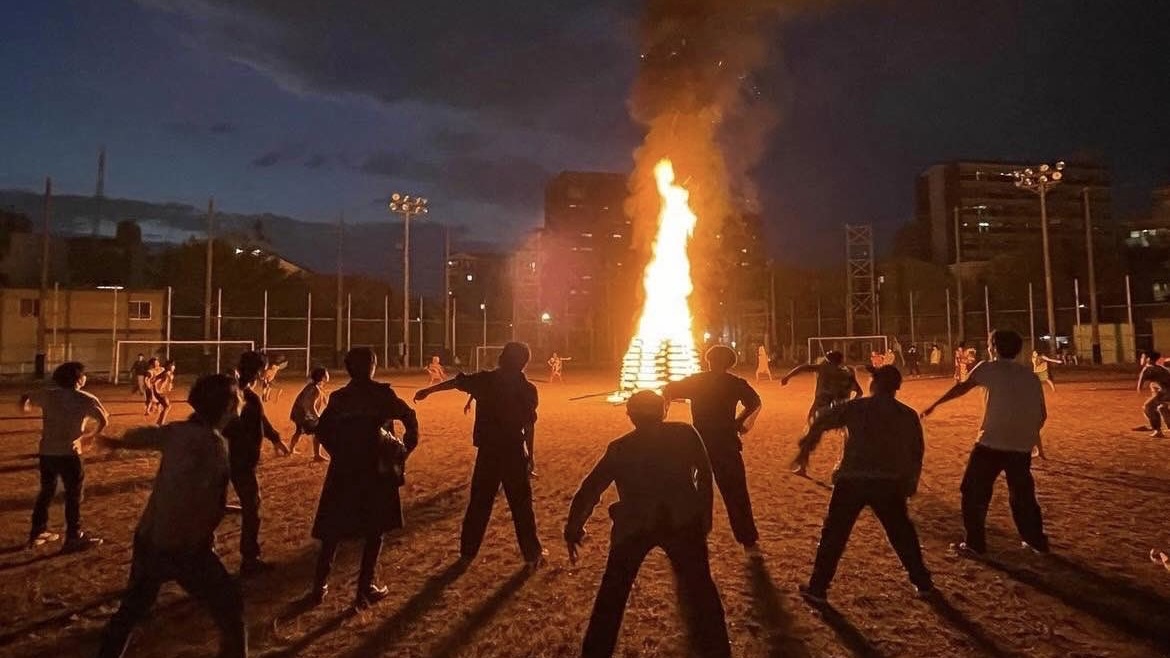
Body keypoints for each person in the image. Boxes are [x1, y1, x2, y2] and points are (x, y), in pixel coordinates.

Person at [565, 390, 730, 658]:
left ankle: (596, 651)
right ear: (664, 410)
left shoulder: (620, 448)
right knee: (701, 589)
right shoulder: (685, 434)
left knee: (613, 595)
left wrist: (574, 527)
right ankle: (716, 649)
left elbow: (590, 488)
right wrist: (704, 512)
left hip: (634, 525)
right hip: (682, 520)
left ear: (630, 416)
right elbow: (704, 471)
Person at [96, 374, 246, 658]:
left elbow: (144, 437)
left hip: (150, 537)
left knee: (132, 609)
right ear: (227, 405)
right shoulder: (214, 445)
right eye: (236, 397)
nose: (240, 401)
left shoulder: (179, 431)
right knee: (230, 609)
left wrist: (117, 443)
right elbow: (201, 498)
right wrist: (214, 520)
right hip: (184, 546)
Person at [791, 366, 932, 603]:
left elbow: (821, 421)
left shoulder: (857, 407)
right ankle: (923, 582)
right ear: (897, 387)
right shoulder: (907, 414)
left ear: (873, 384)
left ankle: (818, 588)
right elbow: (916, 451)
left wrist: (806, 447)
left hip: (853, 479)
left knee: (834, 534)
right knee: (901, 533)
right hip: (888, 482)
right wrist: (911, 480)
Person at [414, 342, 545, 567]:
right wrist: (529, 456)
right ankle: (532, 555)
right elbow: (528, 425)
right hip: (513, 452)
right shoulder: (527, 389)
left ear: (505, 358)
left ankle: (468, 552)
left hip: (489, 453)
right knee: (521, 506)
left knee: (479, 503)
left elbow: (457, 382)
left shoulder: (486, 381)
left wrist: (429, 391)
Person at [922, 329, 1050, 556]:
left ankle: (974, 544)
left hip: (991, 442)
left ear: (993, 347)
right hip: (1020, 446)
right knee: (1023, 495)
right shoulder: (1030, 376)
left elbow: (961, 387)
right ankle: (1036, 540)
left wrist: (935, 404)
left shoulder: (987, 368)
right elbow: (1042, 415)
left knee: (973, 491)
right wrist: (1026, 436)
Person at [310, 348, 419, 608]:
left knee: (332, 530)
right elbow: (409, 416)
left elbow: (322, 429)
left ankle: (318, 586)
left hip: (344, 469)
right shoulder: (381, 395)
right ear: (372, 365)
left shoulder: (339, 398)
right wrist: (405, 447)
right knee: (375, 528)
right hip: (374, 469)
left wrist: (339, 452)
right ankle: (365, 587)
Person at [663, 345, 763, 551]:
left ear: (709, 360)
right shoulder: (735, 383)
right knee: (735, 490)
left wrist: (664, 399)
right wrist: (739, 421)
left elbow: (670, 389)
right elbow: (754, 402)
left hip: (700, 443)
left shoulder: (696, 381)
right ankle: (747, 537)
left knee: (699, 489)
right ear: (729, 363)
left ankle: (696, 531)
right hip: (726, 442)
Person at [20, 361, 108, 552]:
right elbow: (103, 420)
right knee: (73, 495)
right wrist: (88, 437)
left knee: (46, 491)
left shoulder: (48, 394)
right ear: (79, 379)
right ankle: (73, 537)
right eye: (84, 375)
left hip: (47, 453)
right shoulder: (86, 398)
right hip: (70, 453)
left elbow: (25, 397)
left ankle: (37, 532)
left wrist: (24, 408)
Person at [224, 351, 290, 576]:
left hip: (229, 459)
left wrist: (276, 438)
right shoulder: (240, 396)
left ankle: (204, 551)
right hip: (237, 461)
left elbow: (261, 419)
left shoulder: (242, 394)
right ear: (260, 372)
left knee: (219, 506)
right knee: (251, 507)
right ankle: (249, 559)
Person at [781, 350, 863, 424]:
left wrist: (787, 377)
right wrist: (851, 403)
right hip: (838, 401)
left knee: (812, 419)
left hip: (823, 399)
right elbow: (859, 392)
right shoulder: (847, 372)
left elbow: (802, 368)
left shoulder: (823, 368)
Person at [289, 367, 330, 460]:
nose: (328, 375)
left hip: (298, 413)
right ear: (322, 377)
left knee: (299, 431)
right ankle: (317, 455)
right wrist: (318, 417)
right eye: (326, 374)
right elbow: (311, 406)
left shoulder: (314, 386)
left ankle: (291, 449)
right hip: (303, 414)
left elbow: (323, 399)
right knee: (318, 430)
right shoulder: (314, 389)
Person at [1136, 351, 1170, 438]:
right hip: (1166, 392)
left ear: (1148, 359)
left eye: (1143, 357)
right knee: (1162, 407)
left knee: (1148, 407)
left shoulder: (1148, 369)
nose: (1141, 359)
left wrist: (1139, 391)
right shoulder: (1161, 368)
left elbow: (1140, 384)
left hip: (1165, 392)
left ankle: (1157, 430)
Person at [149, 361, 177, 426]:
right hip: (159, 392)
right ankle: (161, 423)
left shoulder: (170, 373)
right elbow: (155, 379)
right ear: (168, 366)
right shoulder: (165, 373)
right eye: (171, 365)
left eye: (173, 365)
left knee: (166, 406)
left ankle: (159, 422)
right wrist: (155, 387)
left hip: (162, 392)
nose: (173, 367)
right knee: (167, 406)